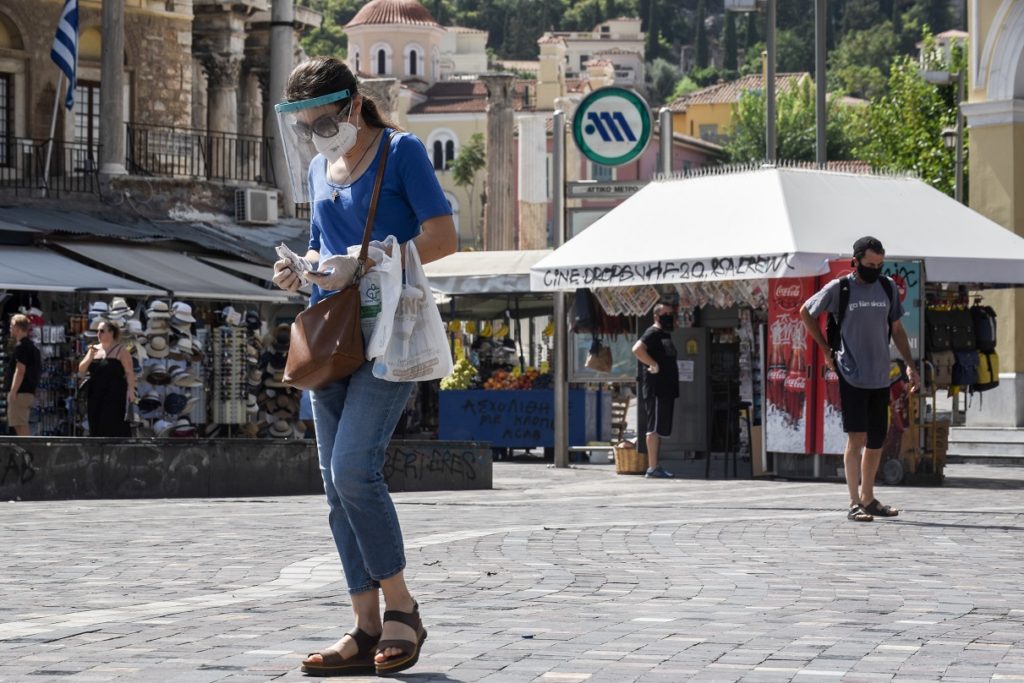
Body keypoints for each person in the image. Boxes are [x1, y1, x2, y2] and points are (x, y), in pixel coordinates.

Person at [271, 56, 456, 677]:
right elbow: (324, 248)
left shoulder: (401, 152)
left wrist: (374, 258)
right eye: (304, 126)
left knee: (354, 470)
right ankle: (364, 624)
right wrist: (302, 269)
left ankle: (403, 608)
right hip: (333, 335)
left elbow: (443, 237)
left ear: (352, 106)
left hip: (391, 334)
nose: (315, 135)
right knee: (333, 486)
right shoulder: (324, 169)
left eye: (322, 121)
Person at [800, 236, 921, 522]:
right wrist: (826, 350)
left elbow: (897, 329)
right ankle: (853, 502)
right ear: (855, 262)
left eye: (879, 264)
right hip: (851, 373)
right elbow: (806, 311)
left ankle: (869, 498)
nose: (875, 269)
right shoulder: (840, 288)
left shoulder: (887, 287)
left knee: (877, 439)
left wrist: (910, 365)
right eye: (870, 264)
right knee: (856, 438)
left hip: (881, 374)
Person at [632, 302, 679, 479]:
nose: (669, 316)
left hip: (666, 387)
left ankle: (656, 465)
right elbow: (637, 349)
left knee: (660, 428)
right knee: (653, 427)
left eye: (671, 313)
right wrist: (653, 364)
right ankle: (652, 468)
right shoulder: (652, 332)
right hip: (656, 387)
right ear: (656, 316)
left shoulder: (664, 334)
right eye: (666, 313)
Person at [77, 322, 137, 437]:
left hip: (114, 394)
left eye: (102, 331)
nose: (98, 334)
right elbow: (81, 370)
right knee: (96, 424)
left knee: (113, 424)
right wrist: (90, 357)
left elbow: (129, 372)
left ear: (111, 332)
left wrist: (131, 390)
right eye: (98, 331)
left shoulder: (121, 351)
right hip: (95, 393)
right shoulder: (93, 349)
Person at [5, 314, 40, 436]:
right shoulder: (32, 347)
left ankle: (29, 452)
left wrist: (13, 391)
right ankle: (27, 451)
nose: (9, 329)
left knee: (20, 425)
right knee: (18, 424)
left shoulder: (22, 347)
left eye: (11, 326)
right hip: (27, 392)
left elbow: (20, 370)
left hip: (20, 392)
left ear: (16, 327)